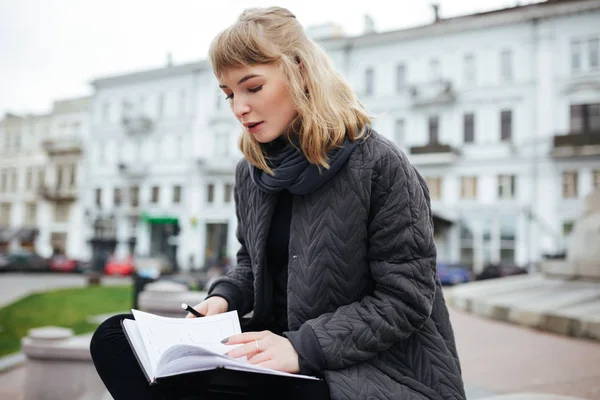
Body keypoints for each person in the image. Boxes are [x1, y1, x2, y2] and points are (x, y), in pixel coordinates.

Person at [90, 6, 466, 400]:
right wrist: (221, 299)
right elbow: (251, 264)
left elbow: (405, 299)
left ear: (301, 72)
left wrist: (301, 348)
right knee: (115, 338)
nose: (239, 108)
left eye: (252, 87)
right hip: (274, 345)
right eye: (229, 94)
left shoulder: (380, 165)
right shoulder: (251, 172)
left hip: (370, 367)